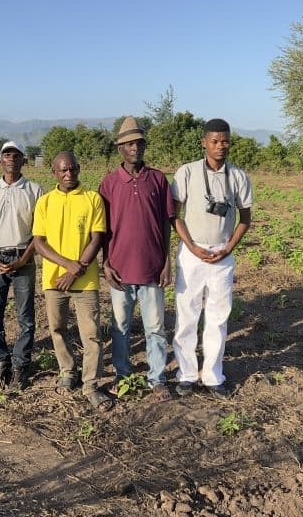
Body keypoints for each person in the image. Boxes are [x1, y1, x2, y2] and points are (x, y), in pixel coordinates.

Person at [171, 118, 253, 399]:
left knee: (218, 317)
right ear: (204, 142)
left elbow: (245, 219)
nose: (221, 146)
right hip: (192, 253)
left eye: (225, 141)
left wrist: (228, 247)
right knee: (187, 314)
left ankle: (213, 376)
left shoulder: (238, 176)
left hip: (222, 254)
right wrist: (192, 247)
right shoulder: (187, 173)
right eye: (215, 141)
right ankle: (187, 374)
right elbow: (174, 215)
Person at [100, 117, 175, 403]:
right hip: (119, 269)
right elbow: (102, 229)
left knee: (155, 327)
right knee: (120, 327)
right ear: (120, 148)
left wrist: (167, 261)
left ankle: (157, 378)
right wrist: (106, 264)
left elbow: (166, 222)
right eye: (129, 144)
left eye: (139, 143)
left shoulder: (157, 179)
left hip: (152, 267)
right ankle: (123, 375)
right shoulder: (109, 183)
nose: (135, 148)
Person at [32, 151, 114, 412]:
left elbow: (97, 238)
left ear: (79, 169)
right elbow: (39, 242)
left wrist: (76, 272)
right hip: (54, 281)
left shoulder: (92, 199)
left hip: (85, 282)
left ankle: (91, 384)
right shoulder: (45, 202)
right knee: (57, 329)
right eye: (63, 170)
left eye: (73, 170)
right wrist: (67, 266)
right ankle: (67, 371)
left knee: (91, 335)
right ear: (54, 172)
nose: (69, 175)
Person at [0, 141, 43, 390]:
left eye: (16, 155)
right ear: (0, 161)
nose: (11, 159)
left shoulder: (35, 190)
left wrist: (24, 258)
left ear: (23, 161)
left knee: (25, 317)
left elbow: (39, 232)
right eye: (7, 155)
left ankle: (21, 364)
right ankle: (1, 361)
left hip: (23, 259)